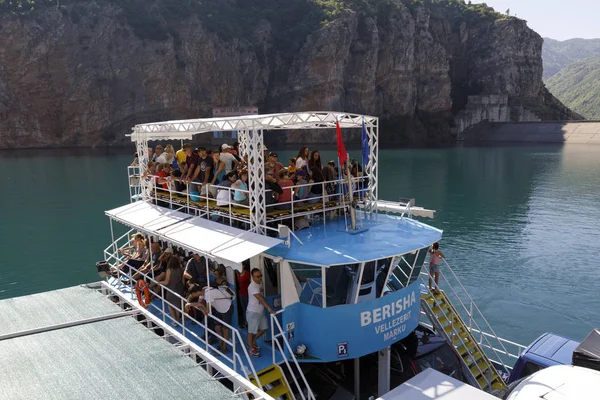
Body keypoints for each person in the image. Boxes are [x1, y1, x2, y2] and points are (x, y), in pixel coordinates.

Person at [205, 267, 235, 353]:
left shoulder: (223, 282)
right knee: (217, 327)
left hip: (227, 308)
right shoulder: (215, 281)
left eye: (216, 274)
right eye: (214, 274)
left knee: (226, 328)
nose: (215, 275)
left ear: (220, 274)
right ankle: (221, 342)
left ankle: (224, 347)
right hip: (219, 308)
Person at [247, 268, 275, 357]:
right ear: (253, 277)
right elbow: (260, 298)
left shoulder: (260, 283)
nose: (260, 278)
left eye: (261, 276)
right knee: (251, 331)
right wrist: (269, 308)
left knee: (264, 328)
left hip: (260, 311)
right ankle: (251, 348)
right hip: (253, 312)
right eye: (258, 277)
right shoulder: (252, 287)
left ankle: (253, 341)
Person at [158, 256, 186, 326]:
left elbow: (166, 282)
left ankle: (174, 320)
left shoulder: (169, 270)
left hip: (171, 288)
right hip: (180, 288)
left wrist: (160, 282)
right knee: (177, 305)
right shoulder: (181, 269)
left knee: (170, 305)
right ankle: (177, 319)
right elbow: (183, 281)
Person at [236, 261, 251, 329]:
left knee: (249, 310)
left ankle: (250, 323)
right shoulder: (238, 273)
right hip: (241, 294)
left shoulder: (248, 274)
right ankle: (246, 322)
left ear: (244, 266)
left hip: (248, 294)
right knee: (244, 309)